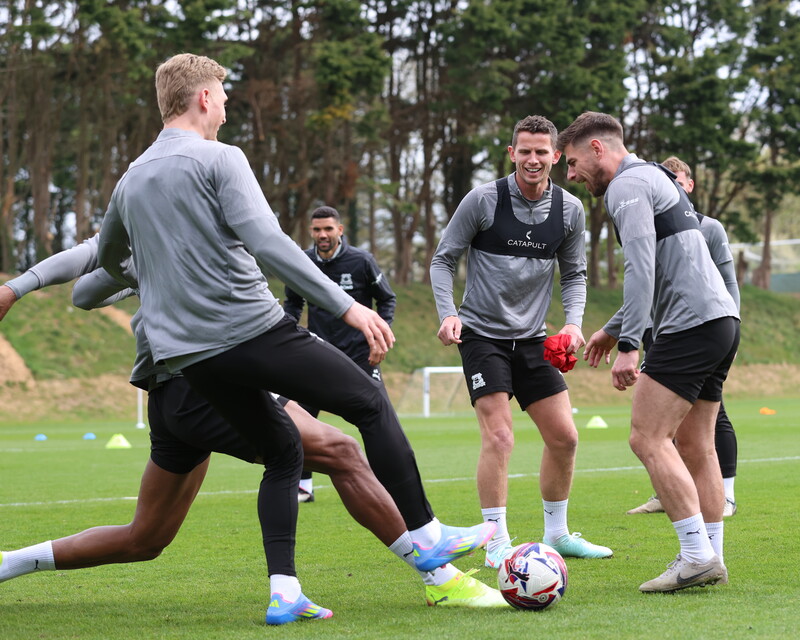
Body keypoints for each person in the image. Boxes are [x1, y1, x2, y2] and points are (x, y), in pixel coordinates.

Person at [91, 53, 496, 618]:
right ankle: (427, 533)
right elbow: (271, 244)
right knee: (369, 401)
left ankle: (285, 593)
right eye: (223, 95)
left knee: (284, 453)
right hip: (250, 331)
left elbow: (107, 259)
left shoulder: (131, 179)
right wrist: (348, 307)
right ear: (203, 97)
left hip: (191, 360)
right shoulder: (220, 158)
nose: (227, 105)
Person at [0, 236, 506, 620]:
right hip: (202, 384)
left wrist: (124, 273)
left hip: (175, 397)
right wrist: (132, 270)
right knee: (340, 450)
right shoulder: (179, 213)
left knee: (146, 538)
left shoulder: (164, 225)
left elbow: (85, 291)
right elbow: (88, 287)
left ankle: (10, 562)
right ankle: (438, 575)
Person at [561, 112, 739, 592]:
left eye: (574, 163)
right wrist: (612, 327)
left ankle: (696, 556)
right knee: (698, 446)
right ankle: (712, 556)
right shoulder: (658, 177)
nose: (571, 175)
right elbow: (665, 268)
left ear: (598, 149)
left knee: (647, 438)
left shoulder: (626, 186)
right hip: (721, 321)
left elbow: (640, 267)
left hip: (687, 328)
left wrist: (628, 344)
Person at [430, 115, 612, 570]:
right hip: (481, 336)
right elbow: (442, 260)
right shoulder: (484, 201)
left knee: (566, 437)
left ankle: (558, 534)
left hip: (533, 340)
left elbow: (574, 274)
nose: (533, 160)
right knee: (500, 436)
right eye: (524, 151)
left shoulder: (570, 210)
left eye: (541, 152)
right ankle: (496, 541)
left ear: (555, 156)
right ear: (512, 154)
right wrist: (448, 314)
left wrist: (572, 324)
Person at [625, 156, 740, 518]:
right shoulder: (652, 221)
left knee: (656, 435)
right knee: (680, 435)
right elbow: (646, 284)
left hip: (697, 328)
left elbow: (728, 284)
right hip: (666, 331)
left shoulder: (708, 229)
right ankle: (681, 507)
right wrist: (621, 331)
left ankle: (720, 508)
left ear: (688, 186)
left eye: (678, 179)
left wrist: (732, 327)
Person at [283, 205, 397, 503]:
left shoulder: (361, 261)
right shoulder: (302, 262)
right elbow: (293, 303)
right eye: (317, 229)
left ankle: (390, 482)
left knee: (379, 417)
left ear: (340, 230)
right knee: (300, 418)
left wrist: (378, 337)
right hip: (316, 353)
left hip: (361, 354)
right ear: (311, 231)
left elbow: (386, 299)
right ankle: (303, 486)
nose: (323, 235)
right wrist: (286, 334)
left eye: (328, 229)